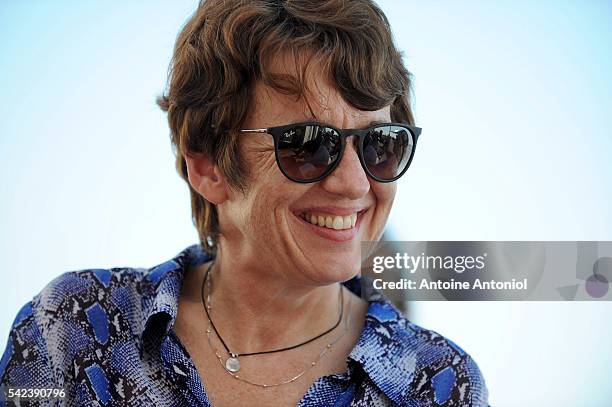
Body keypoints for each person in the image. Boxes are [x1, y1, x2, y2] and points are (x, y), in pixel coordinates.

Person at [0, 0, 489, 405]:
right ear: (208, 165)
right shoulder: (74, 329)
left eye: (380, 144)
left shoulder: (441, 386)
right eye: (308, 144)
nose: (354, 183)